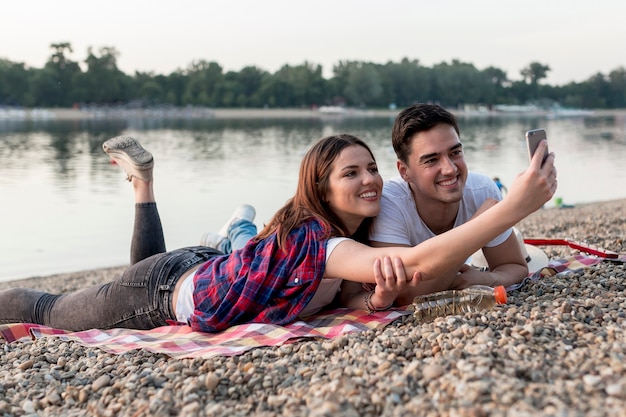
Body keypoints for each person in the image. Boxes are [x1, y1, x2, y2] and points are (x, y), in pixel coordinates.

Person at [0, 133, 556, 333]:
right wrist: (512, 208)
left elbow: (369, 286)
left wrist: (372, 296)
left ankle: (143, 186)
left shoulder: (340, 240)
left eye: (370, 168)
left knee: (129, 279)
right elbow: (415, 266)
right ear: (321, 185)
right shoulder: (319, 239)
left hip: (196, 268)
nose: (368, 180)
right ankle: (143, 186)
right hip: (165, 294)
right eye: (350, 173)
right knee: (48, 310)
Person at [365, 104, 536, 306]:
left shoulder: (482, 190)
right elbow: (405, 297)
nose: (450, 169)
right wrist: (477, 226)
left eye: (455, 153)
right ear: (404, 171)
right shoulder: (389, 204)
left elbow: (515, 266)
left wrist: (487, 278)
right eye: (431, 160)